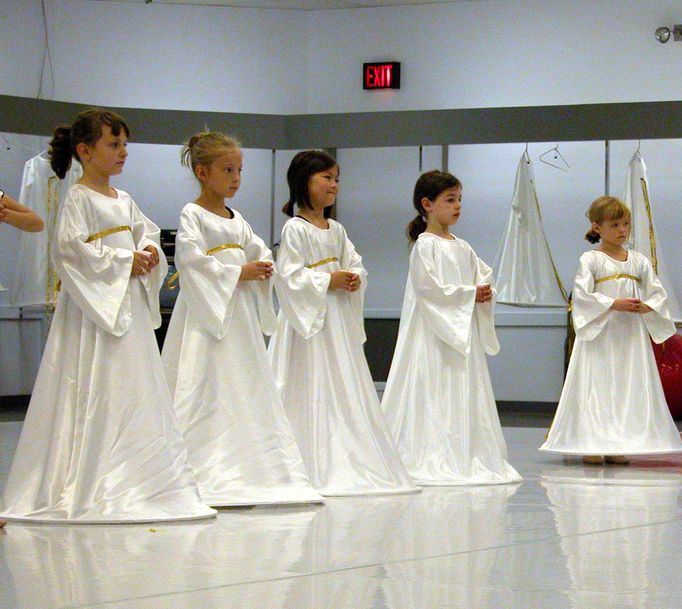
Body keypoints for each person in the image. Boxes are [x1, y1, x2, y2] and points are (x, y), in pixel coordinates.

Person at [0, 108, 215, 523]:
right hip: (93, 312)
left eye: (124, 145)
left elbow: (147, 231)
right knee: (92, 383)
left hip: (127, 304)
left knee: (134, 383)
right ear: (85, 150)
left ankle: (139, 471)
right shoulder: (78, 197)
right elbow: (67, 250)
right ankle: (94, 470)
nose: (122, 153)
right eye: (113, 145)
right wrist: (121, 260)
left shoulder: (125, 199)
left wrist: (149, 253)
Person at [162, 132, 322, 506]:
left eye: (240, 170)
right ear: (203, 172)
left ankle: (246, 459)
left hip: (239, 316)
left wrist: (262, 266)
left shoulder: (237, 219)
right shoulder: (193, 214)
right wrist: (237, 272)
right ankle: (200, 460)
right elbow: (190, 260)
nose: (236, 177)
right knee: (205, 379)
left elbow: (258, 249)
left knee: (244, 380)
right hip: (209, 314)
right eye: (228, 169)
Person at [268, 150, 418, 496]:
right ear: (304, 181)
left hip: (335, 319)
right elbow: (289, 276)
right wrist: (326, 281)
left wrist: (353, 278)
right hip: (310, 324)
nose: (334, 185)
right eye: (326, 178)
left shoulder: (336, 229)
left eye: (337, 179)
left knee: (343, 383)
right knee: (309, 381)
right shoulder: (296, 228)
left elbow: (355, 261)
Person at [381, 170, 521, 485]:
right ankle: (429, 450)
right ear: (427, 204)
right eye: (450, 200)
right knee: (433, 385)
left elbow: (482, 275)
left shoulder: (462, 246)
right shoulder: (425, 246)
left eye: (459, 200)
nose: (457, 206)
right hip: (433, 334)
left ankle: (466, 451)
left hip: (461, 331)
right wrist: (469, 293)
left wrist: (483, 291)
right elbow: (428, 289)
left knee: (461, 385)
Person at [539, 196, 682, 463]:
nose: (622, 230)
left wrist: (648, 305)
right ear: (597, 227)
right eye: (615, 224)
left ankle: (618, 443)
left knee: (624, 386)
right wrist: (612, 304)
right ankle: (593, 443)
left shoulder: (638, 261)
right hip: (601, 334)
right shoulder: (591, 260)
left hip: (628, 336)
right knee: (598, 385)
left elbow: (657, 291)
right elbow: (582, 296)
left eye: (626, 224)